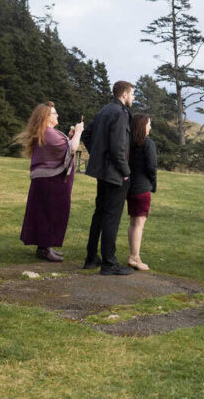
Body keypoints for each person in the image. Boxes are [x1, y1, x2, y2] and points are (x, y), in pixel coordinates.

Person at [16, 102, 83, 262]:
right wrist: (79, 132)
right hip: (51, 181)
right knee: (51, 213)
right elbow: (72, 149)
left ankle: (45, 247)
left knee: (46, 213)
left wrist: (71, 137)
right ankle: (45, 248)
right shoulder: (49, 133)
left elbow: (66, 147)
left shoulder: (47, 132)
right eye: (54, 113)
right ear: (46, 118)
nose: (57, 115)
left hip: (48, 181)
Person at [81, 81, 135, 276]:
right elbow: (119, 147)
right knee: (111, 217)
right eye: (132, 94)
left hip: (101, 172)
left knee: (100, 213)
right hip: (115, 174)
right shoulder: (120, 114)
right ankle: (109, 263)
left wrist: (98, 154)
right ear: (124, 94)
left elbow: (86, 134)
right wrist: (125, 171)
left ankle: (91, 258)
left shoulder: (105, 110)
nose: (133, 98)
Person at [127, 114, 157, 271]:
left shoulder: (129, 143)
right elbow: (151, 166)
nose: (150, 127)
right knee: (139, 224)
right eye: (148, 124)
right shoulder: (148, 144)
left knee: (133, 222)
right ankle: (135, 257)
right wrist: (152, 181)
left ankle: (133, 255)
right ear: (142, 126)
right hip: (142, 188)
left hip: (129, 187)